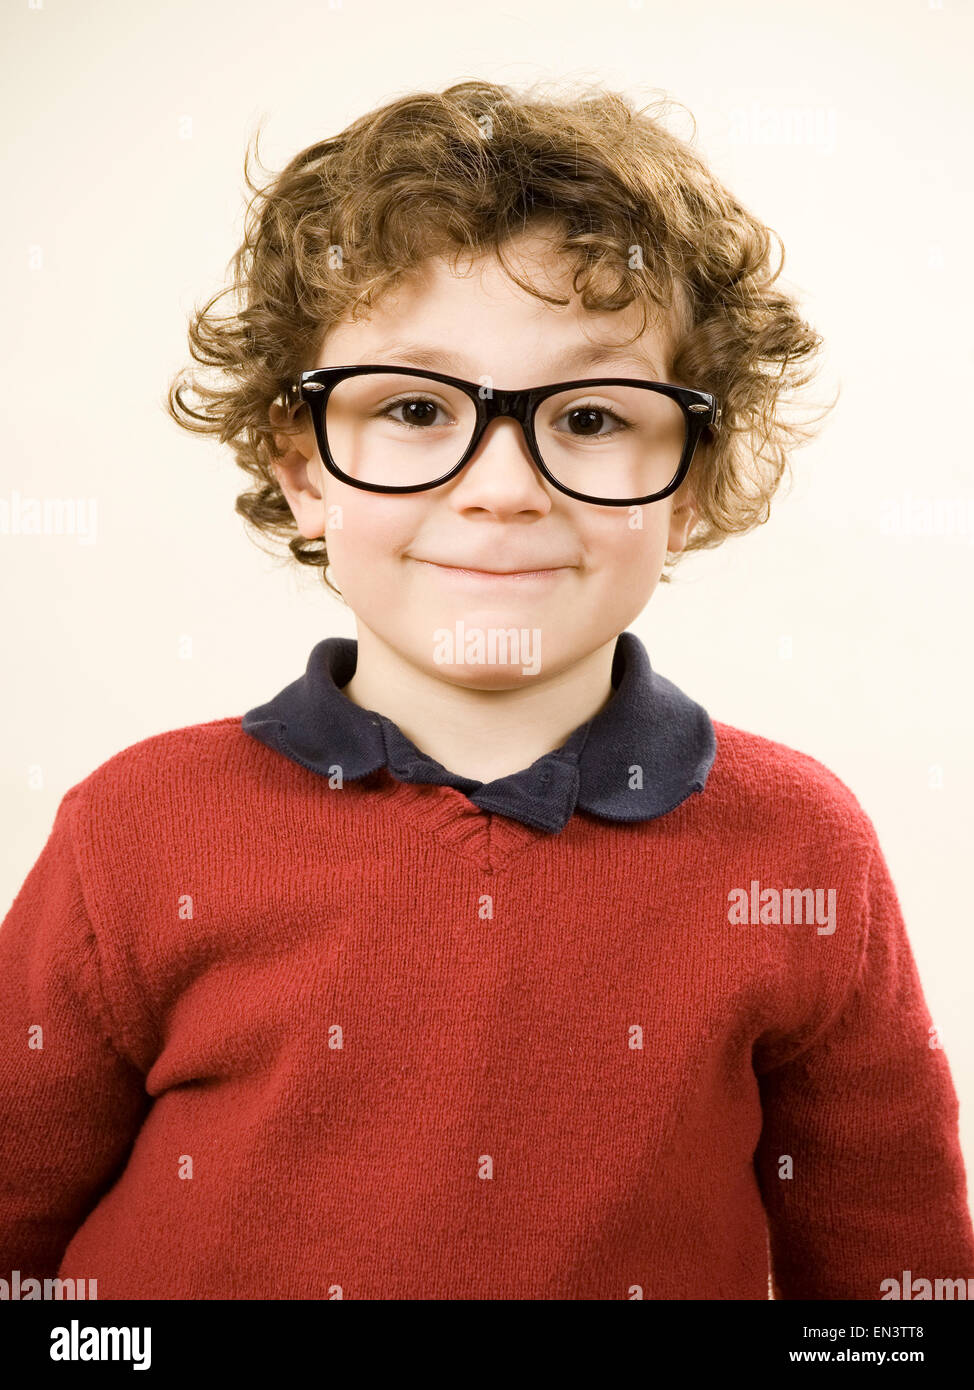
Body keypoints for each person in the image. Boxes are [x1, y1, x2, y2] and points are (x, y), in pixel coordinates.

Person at [2, 79, 972, 1300]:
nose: (503, 489)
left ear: (685, 483)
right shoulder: (136, 829)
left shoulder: (796, 847)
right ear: (302, 470)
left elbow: (894, 1290)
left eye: (589, 416)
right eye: (415, 408)